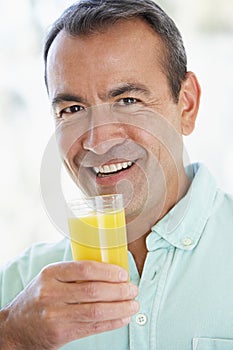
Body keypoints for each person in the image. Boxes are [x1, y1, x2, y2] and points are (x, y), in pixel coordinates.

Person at [0, 0, 233, 349]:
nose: (97, 141)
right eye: (72, 109)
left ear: (186, 104)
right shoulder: (20, 288)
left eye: (128, 101)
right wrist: (11, 335)